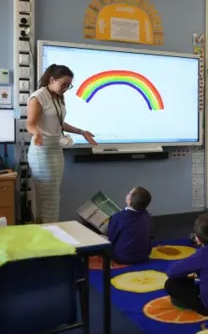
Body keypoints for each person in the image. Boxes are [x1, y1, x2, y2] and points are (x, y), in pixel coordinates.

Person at [26, 64, 97, 223]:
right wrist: (36, 132)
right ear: (52, 80)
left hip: (56, 149)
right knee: (48, 196)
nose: (65, 88)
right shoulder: (38, 97)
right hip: (41, 150)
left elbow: (59, 122)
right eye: (63, 84)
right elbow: (30, 123)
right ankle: (49, 231)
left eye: (68, 86)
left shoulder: (58, 97)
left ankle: (51, 229)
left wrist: (81, 131)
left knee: (54, 194)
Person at [107, 186, 153, 265]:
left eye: (129, 193)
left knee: (101, 241)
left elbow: (111, 239)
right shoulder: (146, 214)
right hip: (144, 256)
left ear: (130, 200)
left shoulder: (117, 217)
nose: (127, 194)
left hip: (122, 258)